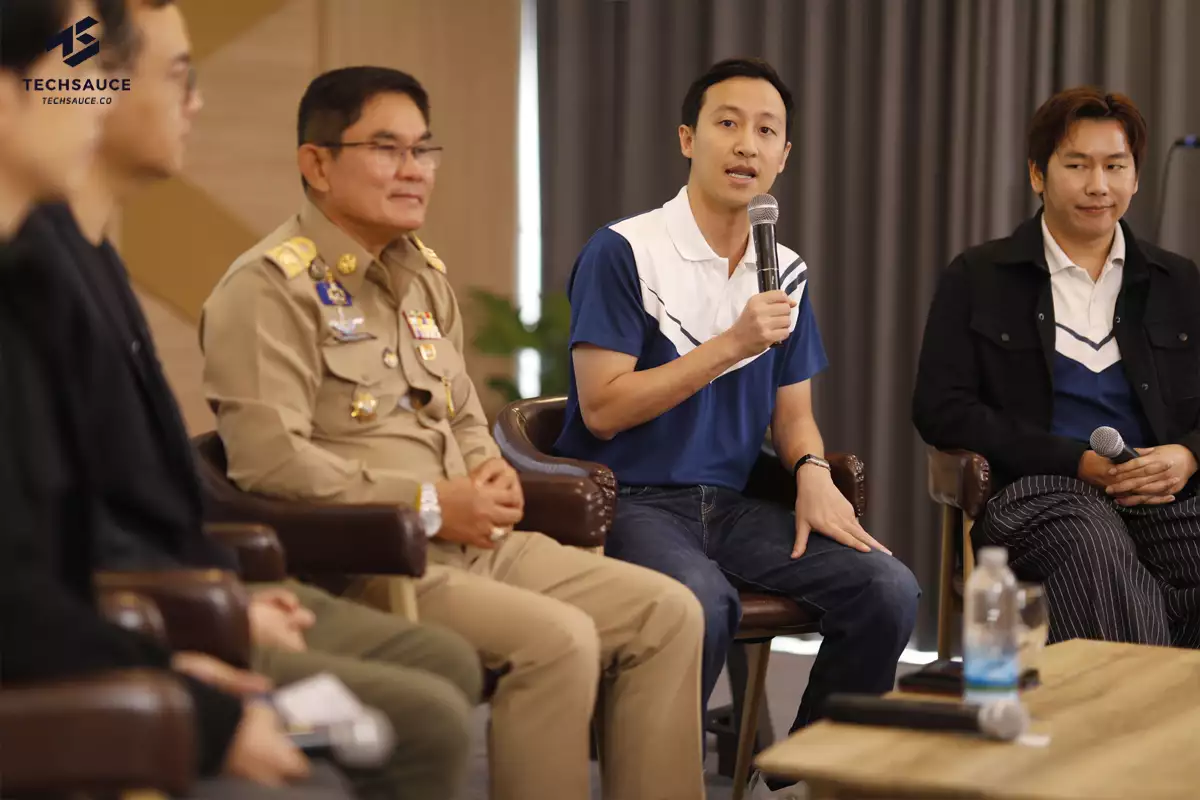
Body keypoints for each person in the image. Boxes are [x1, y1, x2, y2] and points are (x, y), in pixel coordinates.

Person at [9, 2, 482, 799]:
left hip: (170, 595)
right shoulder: (43, 278)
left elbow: (127, 508)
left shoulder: (87, 259)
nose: (196, 102)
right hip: (136, 618)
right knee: (420, 720)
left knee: (451, 665)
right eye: (78, 75)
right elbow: (53, 560)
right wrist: (204, 629)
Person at [201, 65, 707, 800]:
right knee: (558, 641)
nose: (414, 170)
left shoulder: (422, 277)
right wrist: (432, 504)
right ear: (317, 163)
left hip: (476, 542)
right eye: (387, 148)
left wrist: (486, 470)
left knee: (670, 612)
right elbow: (270, 465)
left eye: (423, 150)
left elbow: (461, 411)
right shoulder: (266, 289)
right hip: (374, 562)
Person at [554, 57, 920, 797]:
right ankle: (660, 784)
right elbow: (603, 408)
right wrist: (730, 344)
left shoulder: (785, 271)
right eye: (727, 123)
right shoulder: (625, 251)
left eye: (766, 131)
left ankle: (805, 778)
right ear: (688, 139)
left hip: (730, 506)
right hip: (627, 499)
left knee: (888, 589)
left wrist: (811, 472)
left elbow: (794, 416)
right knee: (701, 602)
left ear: (784, 156)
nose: (747, 144)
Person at [913, 86, 1200, 648]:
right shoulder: (980, 276)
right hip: (1036, 495)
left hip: (1158, 499)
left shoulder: (1179, 281)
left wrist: (1187, 455)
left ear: (1136, 177)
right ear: (1037, 174)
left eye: (1115, 166)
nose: (1098, 185)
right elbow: (940, 409)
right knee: (1092, 543)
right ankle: (1123, 704)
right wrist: (1075, 461)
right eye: (1077, 165)